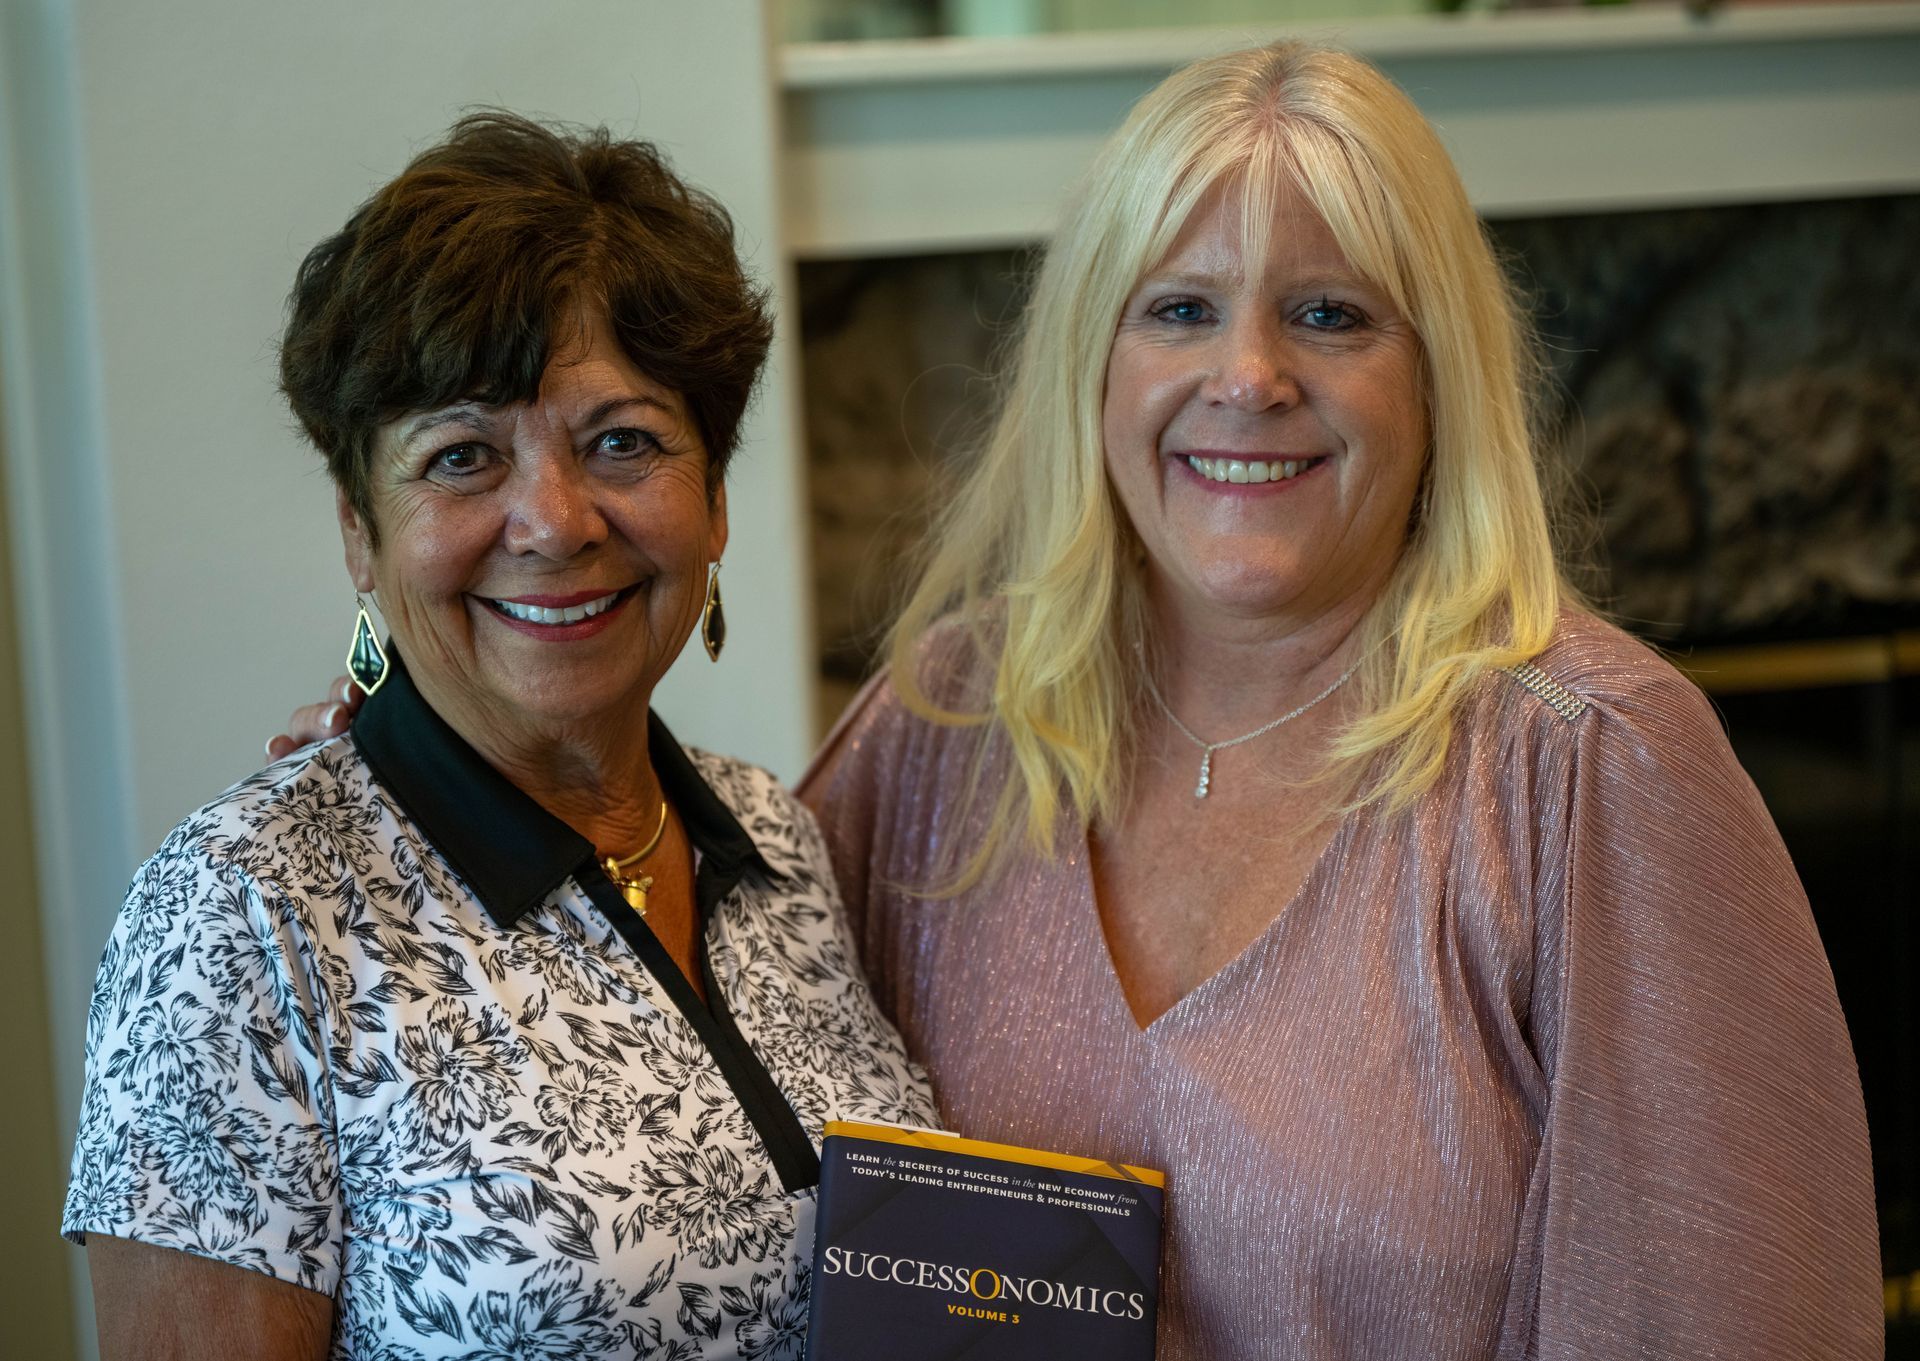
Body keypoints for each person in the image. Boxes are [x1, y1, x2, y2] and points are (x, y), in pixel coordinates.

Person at [278, 43, 1882, 1359]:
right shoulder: (960, 722)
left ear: (1437, 372)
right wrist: (414, 775)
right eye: (1178, 308)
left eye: (1332, 313)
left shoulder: (1589, 767)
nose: (1247, 377)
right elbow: (694, 989)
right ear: (1090, 366)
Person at [64, 113, 936, 1360]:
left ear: (718, 498)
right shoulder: (238, 916)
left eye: (623, 442)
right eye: (463, 456)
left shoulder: (777, 838)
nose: (554, 520)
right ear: (361, 531)